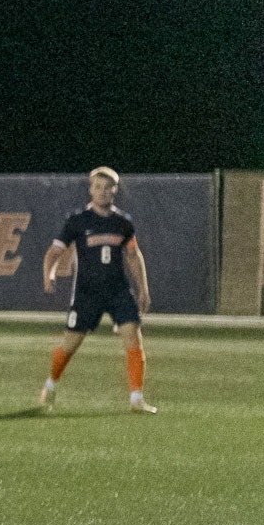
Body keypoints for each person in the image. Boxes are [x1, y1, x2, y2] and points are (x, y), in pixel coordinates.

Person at [39, 166, 156, 413]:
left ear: (115, 190)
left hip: (118, 291)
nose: (102, 191)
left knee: (133, 336)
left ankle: (136, 398)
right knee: (70, 344)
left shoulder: (123, 222)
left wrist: (143, 289)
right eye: (98, 187)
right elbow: (55, 252)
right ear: (90, 190)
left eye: (108, 187)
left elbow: (133, 255)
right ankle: (51, 384)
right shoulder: (78, 221)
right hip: (87, 293)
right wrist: (49, 273)